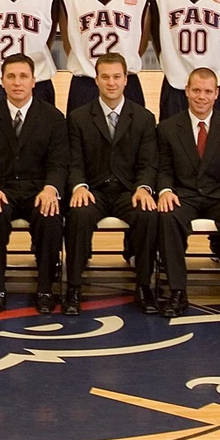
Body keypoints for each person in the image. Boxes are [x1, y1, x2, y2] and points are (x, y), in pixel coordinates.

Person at [0, 53, 68, 314]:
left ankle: (46, 289)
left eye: (23, 76)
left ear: (34, 81)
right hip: (2, 188)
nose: (17, 83)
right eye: (11, 77)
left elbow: (59, 164)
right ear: (1, 81)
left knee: (50, 216)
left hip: (39, 188)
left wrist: (51, 189)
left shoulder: (54, 118)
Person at [64, 52, 158, 316]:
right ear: (96, 80)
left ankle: (144, 285)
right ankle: (73, 287)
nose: (111, 82)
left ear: (126, 79)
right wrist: (79, 186)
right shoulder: (79, 117)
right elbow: (73, 162)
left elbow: (149, 164)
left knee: (148, 214)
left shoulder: (144, 118)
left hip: (128, 191)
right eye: (105, 77)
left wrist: (143, 188)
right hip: (93, 191)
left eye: (117, 77)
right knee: (78, 214)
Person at [156, 67, 220, 319]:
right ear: (186, 91)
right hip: (184, 195)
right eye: (196, 90)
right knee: (167, 216)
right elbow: (164, 168)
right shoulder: (167, 128)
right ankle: (177, 291)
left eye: (207, 91)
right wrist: (165, 190)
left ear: (216, 94)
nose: (201, 96)